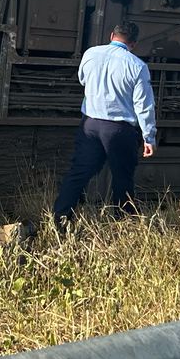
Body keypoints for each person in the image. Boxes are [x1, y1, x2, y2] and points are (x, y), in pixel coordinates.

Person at [52, 21, 158, 229]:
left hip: (90, 124)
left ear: (112, 35)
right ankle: (123, 223)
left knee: (79, 172)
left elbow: (83, 79)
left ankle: (60, 217)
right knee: (122, 177)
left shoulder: (91, 54)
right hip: (119, 129)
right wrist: (149, 137)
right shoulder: (137, 66)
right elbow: (144, 105)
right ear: (133, 44)